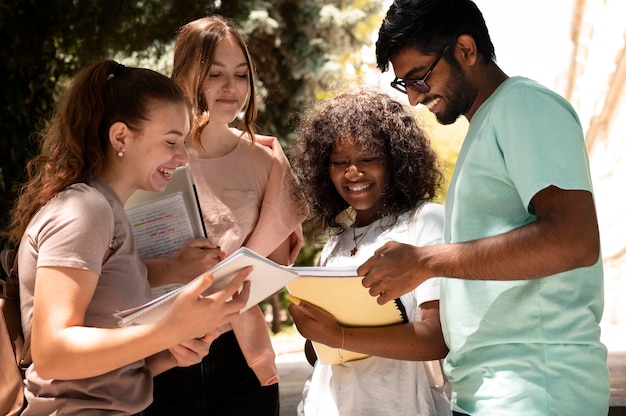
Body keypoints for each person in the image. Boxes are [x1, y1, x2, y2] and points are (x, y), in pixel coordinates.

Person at [363, 0, 610, 415]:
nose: (413, 98)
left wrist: (426, 261)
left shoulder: (525, 106)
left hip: (535, 389)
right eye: (404, 84)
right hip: (491, 390)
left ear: (466, 49)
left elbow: (574, 240)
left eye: (419, 77)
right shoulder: (488, 124)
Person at [5, 58, 252, 415]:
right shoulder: (85, 212)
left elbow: (103, 376)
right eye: (171, 141)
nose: (183, 157)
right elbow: (53, 354)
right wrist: (168, 330)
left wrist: (171, 351)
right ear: (121, 136)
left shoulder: (107, 211)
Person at [144, 16, 307, 415]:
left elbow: (275, 261)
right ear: (185, 75)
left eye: (241, 74)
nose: (231, 88)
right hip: (161, 352)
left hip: (241, 357)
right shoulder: (148, 157)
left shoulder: (265, 161)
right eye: (214, 74)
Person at [287, 88, 451, 416]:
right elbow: (322, 353)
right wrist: (315, 333)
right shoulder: (335, 246)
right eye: (339, 162)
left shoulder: (424, 223)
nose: (353, 173)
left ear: (396, 160)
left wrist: (340, 334)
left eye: (368, 158)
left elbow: (436, 338)